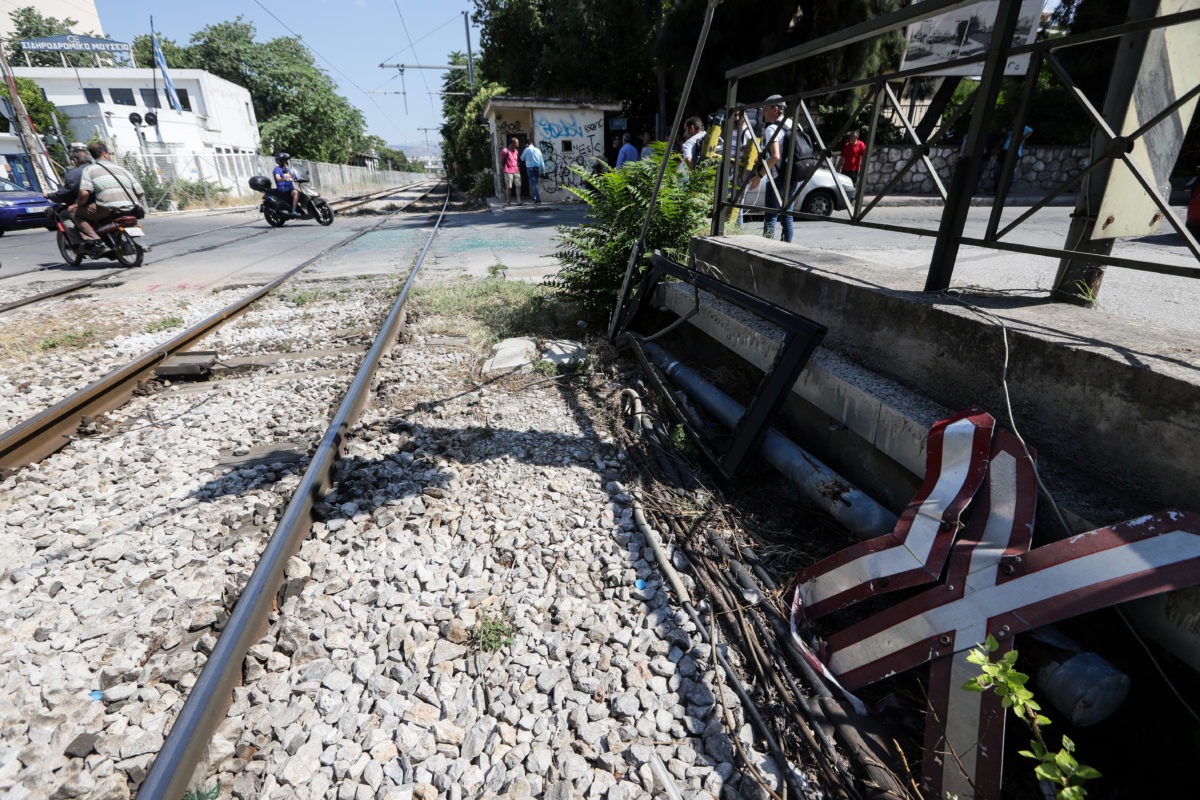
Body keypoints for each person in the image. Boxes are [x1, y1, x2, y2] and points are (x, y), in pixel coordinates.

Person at [74, 141, 144, 251]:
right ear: (105, 153)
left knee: (74, 212)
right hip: (131, 208)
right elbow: (140, 192)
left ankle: (96, 240)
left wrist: (80, 205)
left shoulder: (89, 170)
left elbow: (84, 193)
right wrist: (130, 202)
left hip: (107, 209)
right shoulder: (122, 169)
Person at [748, 95, 794, 243]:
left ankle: (767, 248)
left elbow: (775, 157)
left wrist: (759, 177)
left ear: (775, 109)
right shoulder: (794, 124)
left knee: (771, 216)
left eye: (765, 109)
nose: (763, 113)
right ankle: (787, 247)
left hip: (777, 177)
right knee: (787, 214)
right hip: (793, 176)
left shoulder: (772, 129)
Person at [45, 143, 92, 246]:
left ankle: (78, 243)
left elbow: (66, 192)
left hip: (88, 206)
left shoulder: (74, 173)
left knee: (64, 214)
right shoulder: (99, 168)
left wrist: (50, 196)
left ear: (75, 160)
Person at [993, 124, 1033, 195]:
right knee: (999, 170)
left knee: (1008, 171)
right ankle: (997, 189)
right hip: (1005, 151)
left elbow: (1030, 131)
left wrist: (1021, 138)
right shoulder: (1011, 131)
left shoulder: (1021, 128)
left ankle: (1004, 190)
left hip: (1013, 152)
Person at [521, 140, 545, 204]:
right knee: (535, 184)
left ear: (527, 144)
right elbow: (541, 161)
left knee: (534, 184)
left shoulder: (527, 150)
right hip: (537, 168)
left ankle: (538, 199)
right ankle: (534, 197)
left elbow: (522, 158)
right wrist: (543, 171)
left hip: (530, 169)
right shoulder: (538, 150)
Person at [500, 137, 522, 205]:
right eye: (517, 143)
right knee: (509, 187)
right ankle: (508, 201)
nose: (518, 145)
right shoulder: (505, 151)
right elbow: (501, 161)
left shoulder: (516, 151)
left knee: (518, 186)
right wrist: (504, 168)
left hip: (516, 170)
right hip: (508, 171)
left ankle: (519, 200)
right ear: (512, 143)